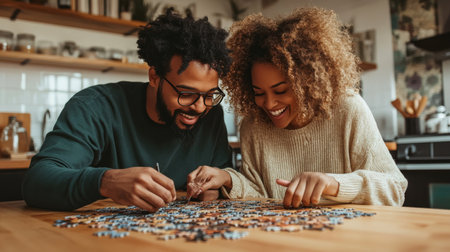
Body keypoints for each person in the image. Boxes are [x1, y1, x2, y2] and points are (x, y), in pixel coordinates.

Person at [187, 7, 408, 207]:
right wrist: (227, 178)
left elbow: (395, 190)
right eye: (259, 93)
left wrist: (334, 184)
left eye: (281, 90)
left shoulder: (349, 110)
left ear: (308, 82)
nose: (269, 104)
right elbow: (259, 193)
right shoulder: (253, 124)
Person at [22, 9, 233, 211]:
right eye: (186, 94)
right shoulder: (95, 106)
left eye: (209, 95)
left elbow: (225, 175)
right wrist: (105, 181)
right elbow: (37, 182)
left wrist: (215, 188)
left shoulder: (211, 114)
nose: (199, 107)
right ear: (154, 77)